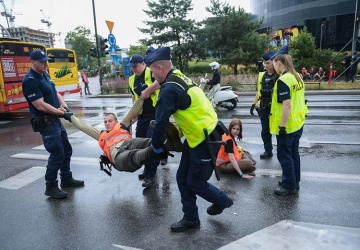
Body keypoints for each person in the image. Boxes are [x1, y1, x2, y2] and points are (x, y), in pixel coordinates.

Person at [144, 47, 233, 233]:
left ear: (160, 68)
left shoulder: (169, 89)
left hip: (206, 138)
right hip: (197, 137)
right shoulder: (177, 75)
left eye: (152, 71)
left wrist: (157, 147)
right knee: (182, 177)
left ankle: (222, 200)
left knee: (195, 182)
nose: (152, 76)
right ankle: (191, 218)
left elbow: (160, 123)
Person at [22, 49, 84, 199]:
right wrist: (59, 112)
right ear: (33, 62)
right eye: (42, 62)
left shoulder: (45, 74)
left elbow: (55, 92)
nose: (46, 64)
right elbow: (40, 105)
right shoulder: (30, 80)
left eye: (46, 61)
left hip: (55, 120)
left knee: (67, 150)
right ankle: (50, 186)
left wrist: (64, 106)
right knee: (57, 153)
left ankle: (66, 178)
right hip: (47, 123)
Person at [270, 53, 308, 196]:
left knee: (284, 155)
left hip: (288, 126)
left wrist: (282, 126)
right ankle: (293, 181)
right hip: (298, 123)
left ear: (278, 62)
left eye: (274, 63)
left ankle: (289, 186)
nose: (273, 66)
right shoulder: (297, 76)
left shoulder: (283, 80)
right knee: (293, 153)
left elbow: (286, 105)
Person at [128, 54, 160, 188]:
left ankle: (150, 175)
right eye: (132, 67)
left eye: (136, 66)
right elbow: (134, 97)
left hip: (155, 114)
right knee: (140, 143)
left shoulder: (151, 72)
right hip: (142, 116)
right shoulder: (131, 79)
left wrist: (148, 90)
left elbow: (161, 82)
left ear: (143, 64)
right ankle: (149, 168)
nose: (134, 69)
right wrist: (134, 113)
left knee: (150, 144)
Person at [250, 50, 278, 159]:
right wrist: (253, 104)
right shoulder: (262, 75)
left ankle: (280, 151)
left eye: (268, 63)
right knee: (265, 130)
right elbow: (259, 91)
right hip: (264, 106)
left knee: (278, 131)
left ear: (274, 62)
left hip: (275, 108)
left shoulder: (279, 75)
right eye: (265, 63)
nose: (266, 65)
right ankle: (268, 150)